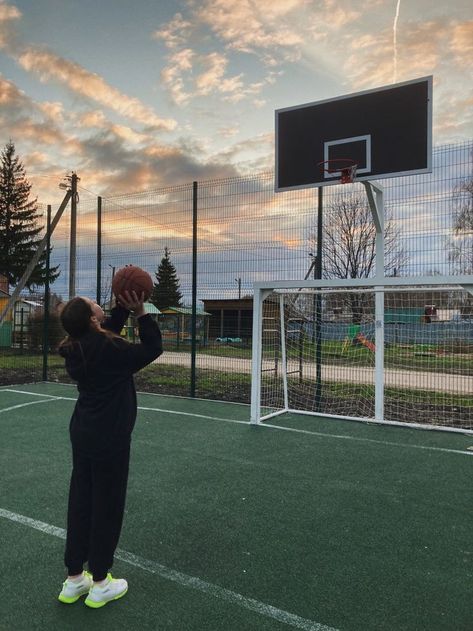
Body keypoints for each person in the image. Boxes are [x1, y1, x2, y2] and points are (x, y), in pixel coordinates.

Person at [57, 291, 163, 608]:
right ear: (92, 319)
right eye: (94, 305)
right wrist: (141, 312)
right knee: (107, 505)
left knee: (81, 501)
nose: (97, 304)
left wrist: (120, 307)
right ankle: (101, 581)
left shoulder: (75, 347)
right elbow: (153, 349)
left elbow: (106, 335)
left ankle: (75, 578)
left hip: (84, 433)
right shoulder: (109, 349)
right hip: (109, 438)